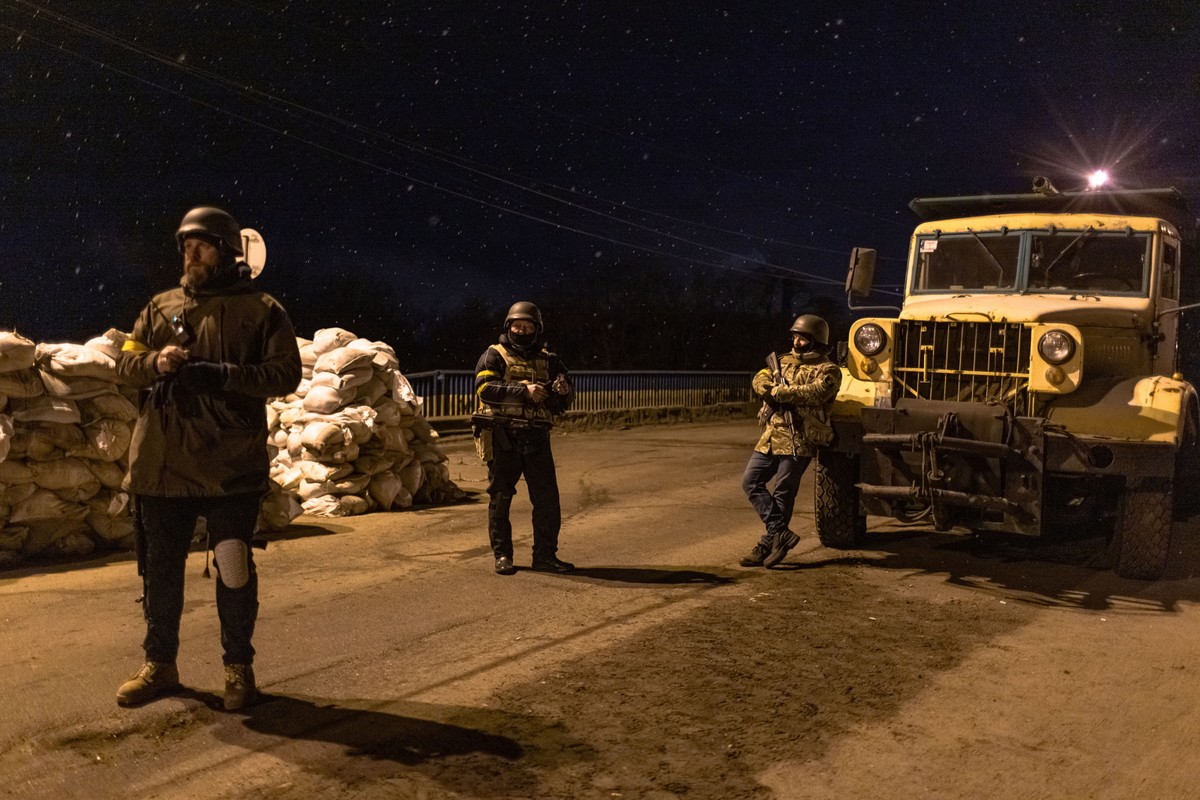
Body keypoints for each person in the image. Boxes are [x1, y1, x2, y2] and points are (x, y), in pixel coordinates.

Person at [114, 206, 302, 710]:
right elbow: (125, 365)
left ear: (225, 251)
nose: (190, 255)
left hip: (230, 469)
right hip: (160, 465)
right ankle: (160, 665)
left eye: (200, 245)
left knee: (233, 568)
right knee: (160, 573)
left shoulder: (263, 309)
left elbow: (286, 375)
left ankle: (239, 670)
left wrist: (222, 375)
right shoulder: (159, 307)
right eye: (184, 246)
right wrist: (155, 361)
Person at [473, 301, 576, 576]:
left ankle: (545, 556)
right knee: (501, 499)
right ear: (509, 327)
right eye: (517, 326)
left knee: (547, 502)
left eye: (528, 326)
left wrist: (561, 391)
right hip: (503, 436)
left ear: (537, 329)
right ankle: (503, 555)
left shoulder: (550, 360)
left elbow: (564, 401)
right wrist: (524, 390)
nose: (522, 330)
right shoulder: (493, 355)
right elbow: (485, 389)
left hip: (537, 438)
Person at [740, 314, 841, 569]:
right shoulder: (782, 363)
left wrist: (781, 392)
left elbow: (818, 392)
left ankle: (767, 544)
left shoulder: (828, 370)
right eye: (794, 336)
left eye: (802, 338)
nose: (796, 341)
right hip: (772, 437)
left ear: (815, 340)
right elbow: (760, 378)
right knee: (751, 482)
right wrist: (768, 388)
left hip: (801, 438)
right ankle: (779, 533)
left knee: (784, 492)